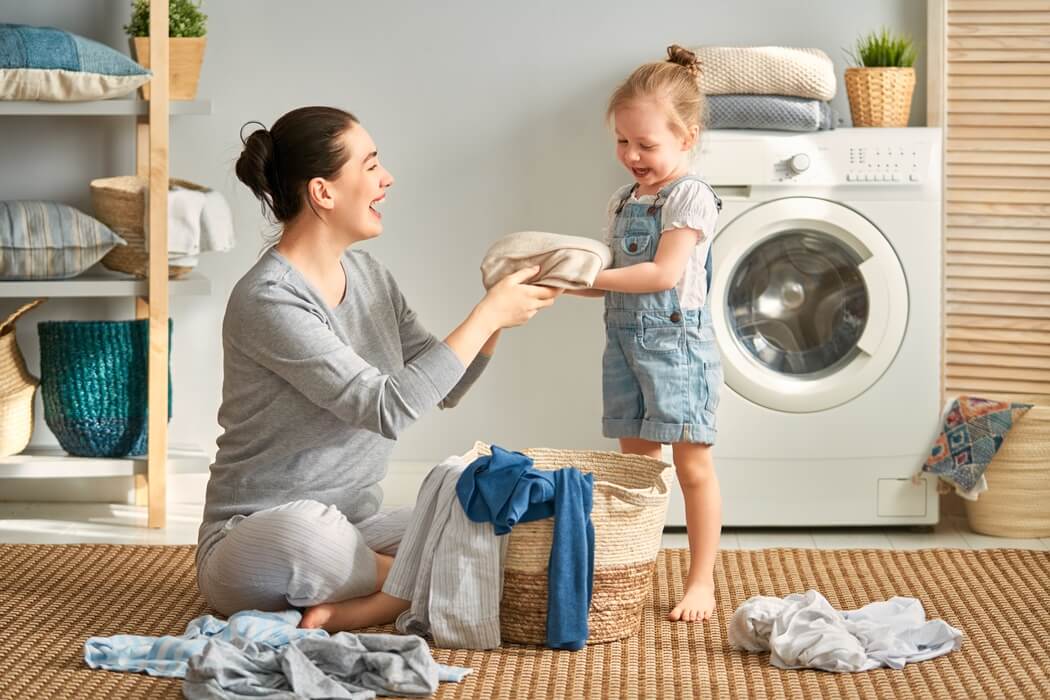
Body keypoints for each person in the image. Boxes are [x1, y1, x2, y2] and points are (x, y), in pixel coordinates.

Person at [194, 106, 560, 631]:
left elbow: (442, 387)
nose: (386, 178)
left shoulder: (369, 276)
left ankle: (360, 604)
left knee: (492, 526)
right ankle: (416, 583)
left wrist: (498, 314)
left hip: (356, 526)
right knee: (310, 534)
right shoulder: (268, 298)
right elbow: (385, 407)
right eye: (370, 165)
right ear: (323, 192)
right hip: (255, 537)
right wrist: (487, 315)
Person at [571, 45, 724, 622]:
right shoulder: (621, 199)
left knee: (691, 468)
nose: (631, 155)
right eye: (622, 141)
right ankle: (633, 568)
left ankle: (701, 579)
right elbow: (611, 282)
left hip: (677, 350)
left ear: (687, 137)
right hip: (625, 349)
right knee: (637, 473)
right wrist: (559, 280)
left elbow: (661, 274)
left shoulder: (690, 196)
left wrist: (589, 274)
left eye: (646, 145)